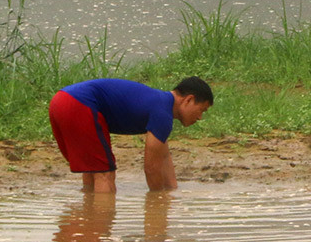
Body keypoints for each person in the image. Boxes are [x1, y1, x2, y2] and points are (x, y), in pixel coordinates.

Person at [47, 76, 214, 193]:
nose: (200, 117)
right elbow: (151, 168)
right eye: (202, 110)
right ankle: (100, 233)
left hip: (60, 100)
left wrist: (172, 190)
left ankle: (89, 227)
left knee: (94, 169)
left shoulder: (160, 105)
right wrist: (158, 200)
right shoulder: (163, 112)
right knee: (105, 174)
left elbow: (163, 156)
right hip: (79, 104)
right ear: (189, 100)